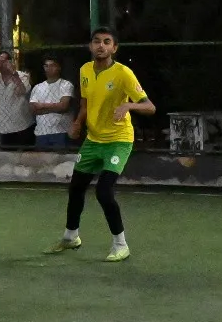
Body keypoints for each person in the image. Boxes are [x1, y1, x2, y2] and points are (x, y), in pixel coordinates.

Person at [50, 27, 153, 262]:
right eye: (97, 41)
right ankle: (71, 236)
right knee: (76, 187)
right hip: (93, 140)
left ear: (114, 48)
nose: (101, 46)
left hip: (118, 141)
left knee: (104, 191)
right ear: (90, 46)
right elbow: (85, 104)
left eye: (107, 42)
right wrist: (77, 123)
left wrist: (128, 106)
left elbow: (149, 106)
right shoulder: (85, 70)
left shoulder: (123, 73)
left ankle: (120, 244)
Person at [0, 50, 35, 146]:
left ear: (10, 62)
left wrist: (14, 74)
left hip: (22, 127)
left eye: (3, 61)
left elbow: (21, 91)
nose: (0, 64)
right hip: (4, 129)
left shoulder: (23, 76)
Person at [29, 56, 77, 150]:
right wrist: (55, 107)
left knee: (61, 162)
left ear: (59, 67)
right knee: (42, 163)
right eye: (46, 66)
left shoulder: (66, 84)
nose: (48, 69)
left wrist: (42, 106)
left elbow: (63, 106)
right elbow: (33, 110)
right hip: (41, 133)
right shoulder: (38, 87)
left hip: (61, 132)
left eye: (52, 65)